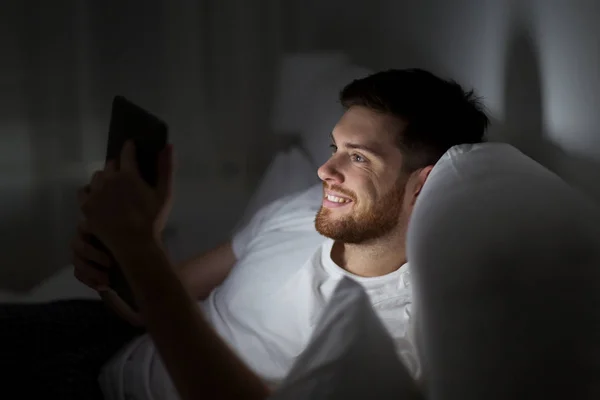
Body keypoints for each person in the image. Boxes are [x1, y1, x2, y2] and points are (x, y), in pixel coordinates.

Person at [72, 68, 490, 399]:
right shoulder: (304, 206)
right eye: (334, 149)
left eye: (358, 157)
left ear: (422, 185)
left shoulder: (392, 337)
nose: (326, 172)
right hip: (107, 353)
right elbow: (156, 302)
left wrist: (141, 251)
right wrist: (115, 275)